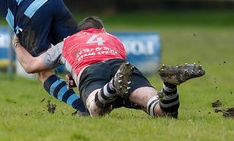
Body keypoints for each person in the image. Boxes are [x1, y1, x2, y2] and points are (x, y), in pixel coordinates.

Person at [12, 16, 206, 118]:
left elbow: (31, 66)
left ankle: (112, 87)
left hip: (92, 70)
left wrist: (16, 44)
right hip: (120, 65)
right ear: (102, 30)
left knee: (96, 109)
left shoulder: (68, 42)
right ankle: (169, 86)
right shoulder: (113, 39)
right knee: (162, 112)